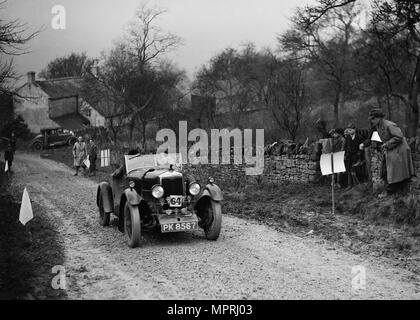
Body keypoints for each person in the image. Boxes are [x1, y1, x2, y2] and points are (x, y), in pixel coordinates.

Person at [360, 108, 415, 196]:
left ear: (379, 118)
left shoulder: (389, 125)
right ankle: (396, 189)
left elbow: (399, 137)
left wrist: (386, 144)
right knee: (387, 170)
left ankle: (392, 190)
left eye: (373, 118)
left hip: (400, 149)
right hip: (392, 148)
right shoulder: (378, 126)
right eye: (371, 119)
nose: (372, 120)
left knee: (394, 170)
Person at [343, 123, 367, 190]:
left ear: (354, 129)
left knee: (355, 169)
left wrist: (360, 157)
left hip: (356, 156)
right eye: (348, 130)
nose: (349, 131)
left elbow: (361, 148)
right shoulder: (348, 137)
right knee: (348, 170)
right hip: (349, 156)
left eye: (351, 130)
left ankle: (357, 184)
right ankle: (350, 184)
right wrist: (345, 154)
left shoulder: (359, 137)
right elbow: (345, 146)